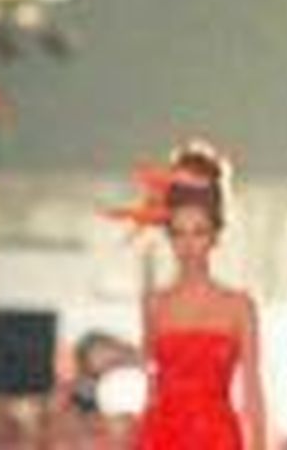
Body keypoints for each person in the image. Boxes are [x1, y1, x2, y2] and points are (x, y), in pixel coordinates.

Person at [108, 141, 266, 450]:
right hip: (161, 435)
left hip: (217, 437)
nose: (188, 245)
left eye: (199, 232)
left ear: (215, 236)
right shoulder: (154, 304)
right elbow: (152, 388)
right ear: (168, 237)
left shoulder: (239, 307)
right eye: (178, 233)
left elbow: (252, 392)